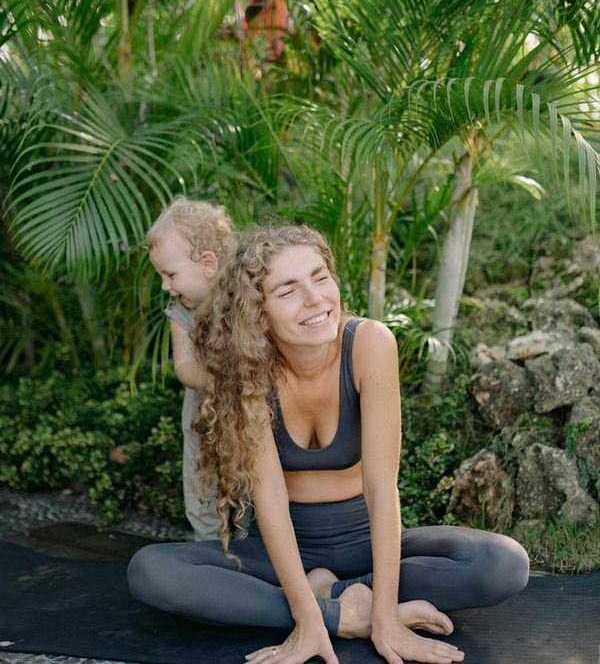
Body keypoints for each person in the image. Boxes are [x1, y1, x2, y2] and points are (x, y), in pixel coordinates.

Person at [129, 224, 529, 664]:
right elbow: (271, 498)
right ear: (259, 314)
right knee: (151, 571)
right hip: (281, 553)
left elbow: (381, 485)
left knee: (503, 564)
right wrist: (316, 619)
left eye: (320, 277)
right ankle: (337, 611)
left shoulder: (370, 344)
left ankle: (341, 593)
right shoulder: (249, 369)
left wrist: (387, 618)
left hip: (367, 543)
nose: (316, 298)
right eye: (288, 290)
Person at [146, 197, 237, 540]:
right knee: (203, 489)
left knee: (255, 488)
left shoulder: (247, 300)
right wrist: (230, 376)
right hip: (204, 423)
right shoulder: (180, 313)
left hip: (252, 419)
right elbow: (185, 366)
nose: (165, 286)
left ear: (208, 263)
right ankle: (211, 551)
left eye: (170, 274)